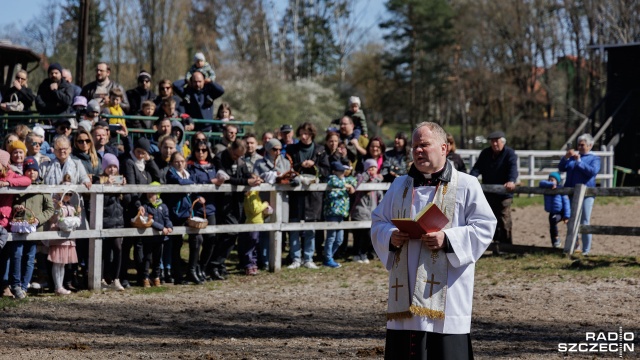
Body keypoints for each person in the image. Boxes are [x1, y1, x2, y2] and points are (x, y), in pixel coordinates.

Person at [371, 122, 496, 359]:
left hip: (448, 290)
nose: (418, 151)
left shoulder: (466, 185)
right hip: (406, 289)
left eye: (424, 145)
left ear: (443, 148)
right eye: (415, 146)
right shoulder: (400, 185)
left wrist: (447, 239)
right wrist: (390, 236)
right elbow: (379, 221)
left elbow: (485, 226)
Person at [211, 139, 262, 278]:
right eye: (235, 155)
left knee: (232, 234)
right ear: (231, 149)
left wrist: (253, 178)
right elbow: (227, 178)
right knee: (228, 233)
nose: (237, 158)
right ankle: (214, 264)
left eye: (240, 156)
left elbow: (245, 174)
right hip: (224, 202)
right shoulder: (220, 158)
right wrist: (246, 181)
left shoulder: (240, 160)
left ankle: (220, 265)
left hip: (237, 202)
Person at [285, 122, 330, 269]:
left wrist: (314, 166)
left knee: (311, 227)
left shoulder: (320, 150)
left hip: (313, 195)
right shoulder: (291, 149)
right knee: (294, 225)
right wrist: (300, 165)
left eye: (307, 134)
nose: (304, 137)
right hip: (295, 194)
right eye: (302, 134)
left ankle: (308, 258)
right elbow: (287, 168)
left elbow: (326, 171)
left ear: (312, 134)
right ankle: (295, 258)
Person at [9, 157, 54, 299]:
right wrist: (17, 208)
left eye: (35, 170)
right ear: (24, 171)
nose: (32, 173)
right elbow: (12, 203)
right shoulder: (19, 186)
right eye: (29, 170)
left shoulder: (42, 187)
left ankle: (23, 286)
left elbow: (50, 208)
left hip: (34, 229)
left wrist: (38, 219)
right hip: (19, 227)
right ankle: (15, 284)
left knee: (29, 257)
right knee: (17, 255)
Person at [164, 151, 207, 285]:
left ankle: (192, 270)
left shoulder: (188, 174)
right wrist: (192, 184)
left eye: (182, 161)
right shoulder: (171, 173)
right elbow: (181, 183)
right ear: (171, 163)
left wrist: (198, 196)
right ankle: (177, 275)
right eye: (176, 161)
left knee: (197, 238)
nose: (180, 164)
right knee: (176, 244)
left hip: (188, 212)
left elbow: (192, 188)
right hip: (176, 213)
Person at [469, 131, 517, 247]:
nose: (494, 144)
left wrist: (511, 181)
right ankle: (493, 244)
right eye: (492, 141)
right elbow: (477, 168)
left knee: (504, 218)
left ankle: (506, 245)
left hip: (504, 193)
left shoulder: (509, 153)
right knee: (490, 218)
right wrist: (470, 179)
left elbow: (513, 168)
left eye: (497, 141)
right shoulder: (485, 153)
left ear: (503, 142)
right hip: (489, 192)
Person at [186, 140, 223, 283]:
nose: (200, 153)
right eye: (197, 150)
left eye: (203, 150)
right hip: (196, 208)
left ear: (208, 152)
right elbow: (192, 184)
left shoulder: (213, 167)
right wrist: (207, 185)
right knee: (196, 240)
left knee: (211, 239)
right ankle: (192, 269)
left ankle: (202, 267)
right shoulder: (191, 167)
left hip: (210, 208)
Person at [558, 133, 601, 255]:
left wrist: (579, 162)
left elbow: (592, 172)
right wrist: (566, 157)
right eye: (579, 145)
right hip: (571, 193)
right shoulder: (573, 157)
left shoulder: (594, 159)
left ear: (590, 145)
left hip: (587, 193)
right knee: (571, 220)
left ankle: (586, 250)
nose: (580, 147)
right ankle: (574, 245)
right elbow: (561, 168)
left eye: (582, 145)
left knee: (585, 221)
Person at [97, 153, 126, 291]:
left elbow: (126, 202)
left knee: (118, 249)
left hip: (118, 220)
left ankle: (116, 279)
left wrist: (124, 189)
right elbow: (101, 203)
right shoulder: (100, 181)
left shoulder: (121, 179)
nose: (112, 169)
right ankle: (102, 279)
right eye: (109, 166)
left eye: (115, 166)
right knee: (104, 251)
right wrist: (107, 188)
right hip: (104, 220)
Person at [137, 182, 173, 287]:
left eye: (152, 193)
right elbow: (149, 220)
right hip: (148, 238)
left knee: (158, 258)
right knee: (147, 257)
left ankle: (156, 276)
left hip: (160, 238)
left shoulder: (163, 206)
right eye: (148, 193)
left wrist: (169, 226)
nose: (150, 195)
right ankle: (145, 277)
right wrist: (162, 228)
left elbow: (167, 218)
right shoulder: (145, 206)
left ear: (158, 194)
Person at [48, 177, 79, 296]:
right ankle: (58, 286)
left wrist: (78, 213)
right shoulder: (55, 202)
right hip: (58, 236)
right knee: (57, 262)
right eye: (66, 193)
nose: (68, 196)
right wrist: (57, 209)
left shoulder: (71, 205)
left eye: (70, 194)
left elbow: (75, 220)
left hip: (68, 237)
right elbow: (52, 219)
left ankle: (60, 286)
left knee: (63, 263)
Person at [322, 161, 357, 268]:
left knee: (339, 239)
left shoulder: (346, 179)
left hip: (342, 213)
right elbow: (334, 183)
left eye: (343, 171)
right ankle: (328, 258)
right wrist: (347, 185)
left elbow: (354, 181)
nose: (342, 173)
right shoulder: (332, 178)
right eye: (340, 171)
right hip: (332, 212)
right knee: (331, 237)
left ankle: (328, 257)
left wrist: (350, 184)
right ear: (334, 171)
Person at [350, 158, 383, 264]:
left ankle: (363, 253)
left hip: (371, 212)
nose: (372, 170)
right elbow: (357, 183)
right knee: (358, 235)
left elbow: (380, 196)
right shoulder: (360, 178)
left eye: (374, 168)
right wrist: (366, 175)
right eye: (370, 168)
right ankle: (356, 254)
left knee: (367, 236)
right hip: (360, 211)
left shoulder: (377, 182)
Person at [240, 189, 270, 276]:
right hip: (253, 223)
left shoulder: (256, 195)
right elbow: (255, 210)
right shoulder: (252, 194)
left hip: (258, 222)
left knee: (255, 244)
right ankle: (249, 265)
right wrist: (265, 204)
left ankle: (254, 264)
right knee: (251, 244)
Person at [539, 172, 571, 249]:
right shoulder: (547, 188)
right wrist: (551, 184)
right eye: (549, 179)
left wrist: (566, 216)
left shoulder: (560, 190)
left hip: (560, 212)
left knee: (553, 221)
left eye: (552, 180)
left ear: (557, 181)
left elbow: (566, 203)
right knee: (552, 225)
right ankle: (554, 242)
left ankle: (556, 238)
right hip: (552, 211)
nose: (550, 181)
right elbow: (541, 183)